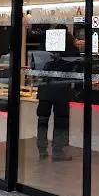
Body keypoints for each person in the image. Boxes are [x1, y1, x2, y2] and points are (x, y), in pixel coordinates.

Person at [37, 26, 80, 161]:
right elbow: (77, 70)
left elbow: (38, 65)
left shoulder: (45, 46)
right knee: (60, 120)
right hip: (61, 89)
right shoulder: (71, 49)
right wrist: (78, 88)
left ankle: (42, 149)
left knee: (42, 119)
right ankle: (57, 151)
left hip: (45, 87)